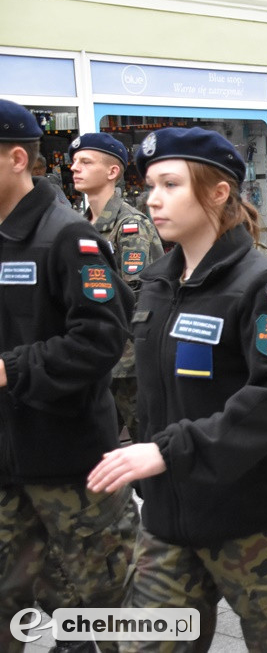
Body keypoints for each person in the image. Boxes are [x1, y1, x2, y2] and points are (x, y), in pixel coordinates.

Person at [86, 126, 267, 652]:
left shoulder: (262, 284)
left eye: (170, 184)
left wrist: (166, 451)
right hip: (168, 521)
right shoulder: (156, 282)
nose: (153, 199)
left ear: (218, 192)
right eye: (149, 185)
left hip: (253, 523)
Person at [0, 99, 138, 653]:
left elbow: (101, 339)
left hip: (68, 464)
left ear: (15, 159)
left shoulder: (66, 237)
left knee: (101, 606)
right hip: (7, 461)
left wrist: (12, 370)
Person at [70, 132, 163, 442]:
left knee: (149, 448)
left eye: (85, 161)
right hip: (95, 360)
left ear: (112, 172)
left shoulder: (131, 225)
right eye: (74, 162)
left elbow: (137, 295)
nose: (74, 168)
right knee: (92, 451)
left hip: (130, 363)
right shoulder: (77, 226)